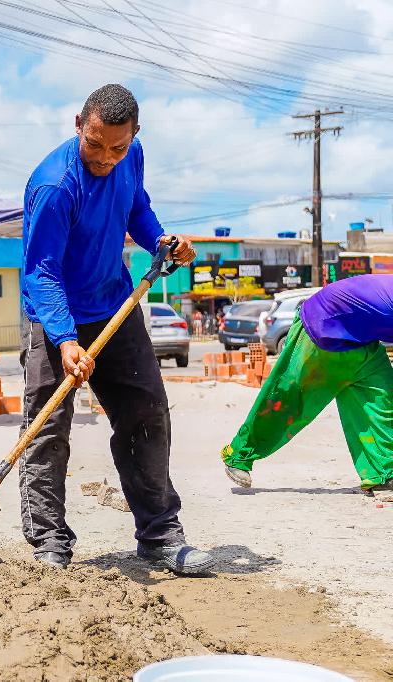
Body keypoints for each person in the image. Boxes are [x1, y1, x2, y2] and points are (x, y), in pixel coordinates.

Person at [20, 83, 214, 575]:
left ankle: (160, 536)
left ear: (134, 136)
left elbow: (137, 208)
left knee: (146, 414)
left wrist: (161, 242)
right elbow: (42, 271)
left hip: (114, 306)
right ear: (78, 125)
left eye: (117, 148)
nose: (105, 158)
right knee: (48, 428)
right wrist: (66, 340)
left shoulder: (132, 156)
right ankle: (49, 544)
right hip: (54, 315)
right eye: (95, 144)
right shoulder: (54, 186)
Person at [221, 274, 393, 493]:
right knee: (287, 399)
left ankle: (382, 474)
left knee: (383, 398)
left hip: (361, 341)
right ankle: (238, 455)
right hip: (323, 325)